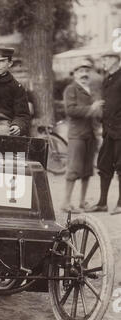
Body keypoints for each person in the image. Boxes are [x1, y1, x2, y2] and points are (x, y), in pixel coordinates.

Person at [61, 59, 103, 213]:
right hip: (77, 135)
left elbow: (97, 112)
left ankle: (82, 201)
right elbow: (70, 110)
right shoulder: (70, 90)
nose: (84, 74)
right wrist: (91, 109)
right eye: (80, 71)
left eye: (87, 71)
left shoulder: (92, 90)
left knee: (87, 170)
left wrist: (99, 115)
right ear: (74, 74)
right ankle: (65, 202)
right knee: (73, 169)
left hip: (91, 134)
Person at [87, 51, 121, 215]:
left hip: (120, 129)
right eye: (103, 59)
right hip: (108, 130)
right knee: (104, 165)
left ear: (116, 60)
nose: (104, 62)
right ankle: (102, 203)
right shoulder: (108, 79)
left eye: (107, 58)